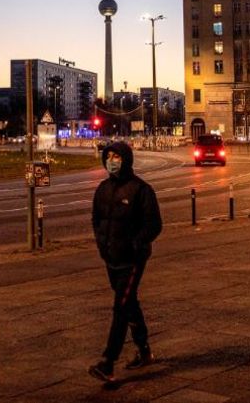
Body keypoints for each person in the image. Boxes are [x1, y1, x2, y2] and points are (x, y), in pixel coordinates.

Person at [88, 141, 162, 383]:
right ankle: (144, 351)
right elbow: (96, 220)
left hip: (132, 260)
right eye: (108, 156)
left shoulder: (141, 190)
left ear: (126, 160)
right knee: (129, 304)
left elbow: (154, 224)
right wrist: (102, 244)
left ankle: (108, 363)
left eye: (116, 156)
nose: (112, 160)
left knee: (120, 307)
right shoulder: (103, 189)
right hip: (111, 258)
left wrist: (136, 244)